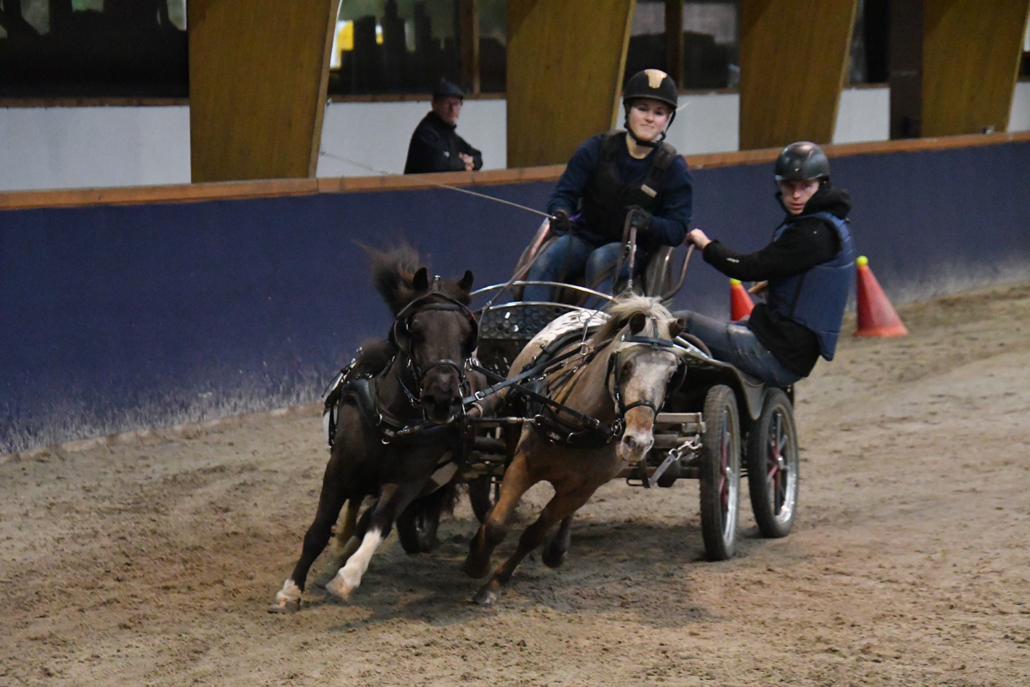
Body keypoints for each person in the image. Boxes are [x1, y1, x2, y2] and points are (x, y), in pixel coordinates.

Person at [676, 141, 855, 388]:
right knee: (725, 328)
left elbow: (748, 267)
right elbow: (816, 276)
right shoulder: (830, 221)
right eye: (789, 186)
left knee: (682, 324)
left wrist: (706, 246)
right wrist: (778, 282)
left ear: (821, 184)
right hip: (791, 349)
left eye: (806, 186)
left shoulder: (811, 232)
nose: (796, 195)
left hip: (778, 353)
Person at [522, 69, 692, 302]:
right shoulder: (595, 149)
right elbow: (564, 194)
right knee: (546, 261)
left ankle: (595, 324)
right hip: (584, 239)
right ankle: (531, 321)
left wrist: (649, 223)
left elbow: (677, 228)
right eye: (642, 109)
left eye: (659, 112)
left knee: (601, 260)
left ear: (667, 120)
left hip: (633, 251)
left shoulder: (674, 168)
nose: (650, 118)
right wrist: (561, 212)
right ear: (628, 110)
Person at [403, 79, 483, 174]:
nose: (452, 109)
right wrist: (463, 163)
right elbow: (438, 164)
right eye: (447, 103)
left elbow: (477, 156)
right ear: (434, 105)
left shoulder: (450, 134)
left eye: (456, 104)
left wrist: (472, 162)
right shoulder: (426, 133)